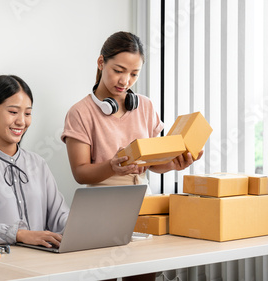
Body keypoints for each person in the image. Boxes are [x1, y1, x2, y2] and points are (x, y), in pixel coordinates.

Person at [61, 31, 202, 281]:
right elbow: (80, 172)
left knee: (143, 275)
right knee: (100, 274)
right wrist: (112, 167)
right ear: (101, 62)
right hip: (100, 206)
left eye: (134, 74)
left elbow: (153, 163)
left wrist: (173, 163)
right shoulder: (79, 113)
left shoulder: (145, 106)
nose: (125, 80)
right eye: (119, 70)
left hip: (141, 202)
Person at [0, 75, 69, 248]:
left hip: (41, 261)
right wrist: (18, 234)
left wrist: (85, 228)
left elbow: (60, 217)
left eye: (28, 113)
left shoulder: (38, 164)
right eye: (13, 112)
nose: (21, 121)